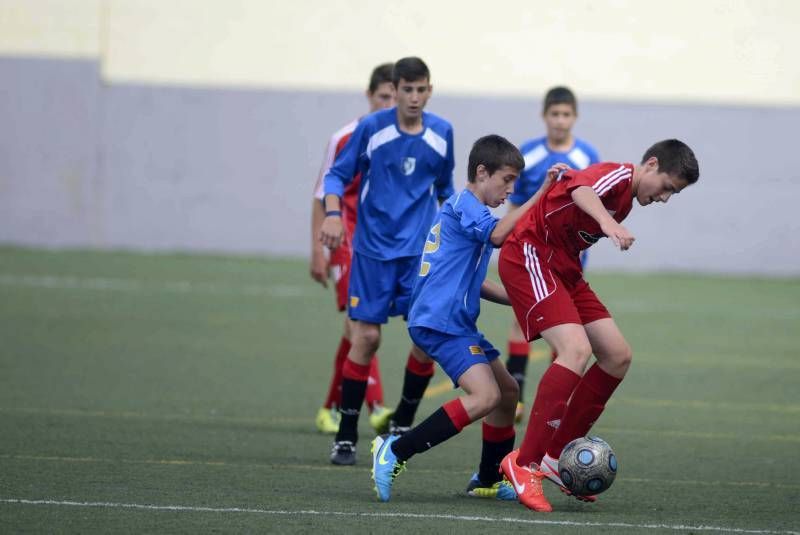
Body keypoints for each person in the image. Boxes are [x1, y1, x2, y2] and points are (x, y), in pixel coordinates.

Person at [497, 139, 699, 512]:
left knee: (617, 356)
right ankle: (524, 463)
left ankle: (555, 458)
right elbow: (580, 186)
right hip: (531, 255)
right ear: (650, 164)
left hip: (565, 269)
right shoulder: (618, 175)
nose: (666, 198)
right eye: (668, 187)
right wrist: (607, 223)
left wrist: (607, 222)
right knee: (575, 349)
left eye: (675, 194)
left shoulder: (628, 198)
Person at [369, 135, 566, 502]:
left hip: (455, 322)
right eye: (506, 180)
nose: (510, 189)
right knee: (486, 395)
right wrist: (540, 194)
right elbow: (496, 236)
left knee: (507, 393)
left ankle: (488, 478)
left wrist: (521, 299)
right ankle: (395, 450)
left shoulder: (469, 212)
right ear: (481, 172)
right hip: (440, 322)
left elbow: (473, 282)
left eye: (514, 183)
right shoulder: (465, 204)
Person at [320, 57, 455, 465]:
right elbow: (335, 177)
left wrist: (455, 242)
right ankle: (345, 437)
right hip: (373, 252)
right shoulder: (371, 129)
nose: (413, 97)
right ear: (394, 91)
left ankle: (402, 425)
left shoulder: (442, 132)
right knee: (367, 339)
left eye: (421, 89)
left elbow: (446, 191)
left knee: (425, 339)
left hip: (419, 255)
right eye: (406, 90)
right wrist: (330, 215)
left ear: (429, 91)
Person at [505, 86, 600, 423]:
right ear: (544, 116)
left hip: (568, 258)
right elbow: (514, 203)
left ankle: (553, 397)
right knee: (521, 322)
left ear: (575, 117)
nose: (560, 121)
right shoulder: (527, 154)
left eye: (566, 115)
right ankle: (514, 397)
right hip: (530, 255)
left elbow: (592, 207)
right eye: (554, 114)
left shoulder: (588, 157)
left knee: (564, 327)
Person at [310, 63, 396, 435]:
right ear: (369, 94)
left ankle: (329, 407)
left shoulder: (402, 139)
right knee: (361, 327)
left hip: (379, 245)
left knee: (355, 331)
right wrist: (318, 250)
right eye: (384, 96)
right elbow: (320, 194)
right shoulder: (345, 137)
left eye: (397, 96)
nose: (391, 103)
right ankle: (377, 406)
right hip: (344, 238)